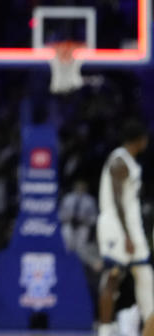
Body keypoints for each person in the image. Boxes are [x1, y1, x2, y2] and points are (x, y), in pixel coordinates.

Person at [97, 122, 152, 336]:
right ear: (140, 139)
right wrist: (126, 234)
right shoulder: (119, 160)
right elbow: (117, 200)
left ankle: (149, 322)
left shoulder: (131, 162)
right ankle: (104, 329)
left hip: (132, 226)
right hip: (116, 226)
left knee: (145, 274)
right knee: (113, 277)